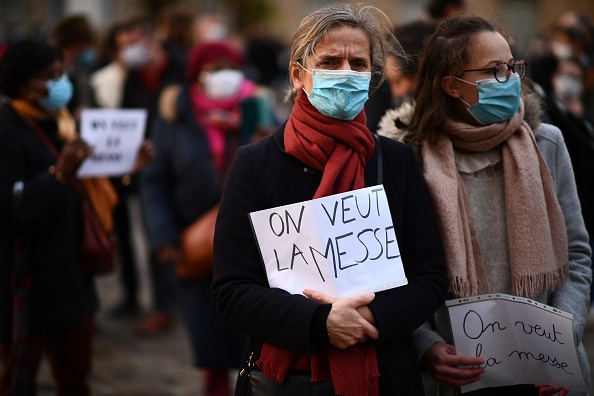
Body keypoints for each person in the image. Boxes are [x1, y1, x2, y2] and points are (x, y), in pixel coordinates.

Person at [211, 4, 449, 395]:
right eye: (330, 61)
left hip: (387, 373)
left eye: (359, 63)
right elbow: (232, 289)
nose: (346, 72)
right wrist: (320, 323)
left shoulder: (396, 160)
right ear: (297, 74)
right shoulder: (256, 164)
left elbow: (428, 277)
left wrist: (368, 318)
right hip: (290, 378)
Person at [380, 15, 591, 395]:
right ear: (451, 85)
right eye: (494, 71)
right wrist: (425, 345)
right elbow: (390, 271)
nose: (509, 79)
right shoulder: (408, 158)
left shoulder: (546, 144)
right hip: (456, 377)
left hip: (546, 374)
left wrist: (562, 340)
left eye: (512, 67)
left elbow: (576, 256)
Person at [141, 39, 274, 396]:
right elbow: (155, 181)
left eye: (230, 68)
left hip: (252, 239)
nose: (225, 77)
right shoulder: (175, 114)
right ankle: (214, 383)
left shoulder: (257, 108)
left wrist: (266, 138)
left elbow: (281, 167)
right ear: (197, 75)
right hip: (195, 240)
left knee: (252, 323)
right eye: (215, 69)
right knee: (205, 323)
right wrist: (164, 237)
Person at [0, 40, 99, 395]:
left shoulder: (61, 123)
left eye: (62, 72)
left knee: (75, 377)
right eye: (51, 75)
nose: (61, 82)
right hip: (26, 283)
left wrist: (128, 168)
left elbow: (89, 191)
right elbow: (12, 212)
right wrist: (59, 173)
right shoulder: (8, 131)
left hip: (72, 280)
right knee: (18, 379)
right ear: (26, 84)